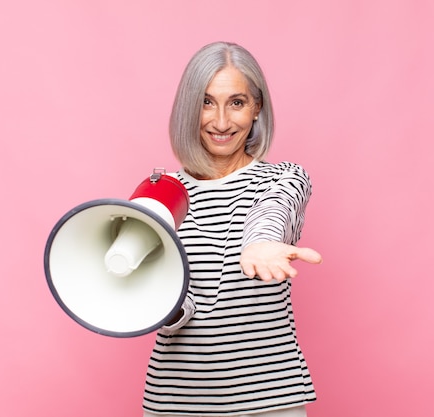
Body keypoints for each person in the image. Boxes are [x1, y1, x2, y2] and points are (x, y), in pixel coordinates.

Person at [142, 41, 322, 417]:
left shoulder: (283, 179)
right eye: (207, 102)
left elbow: (274, 211)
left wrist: (259, 243)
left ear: (257, 107)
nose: (221, 122)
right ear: (188, 107)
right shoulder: (161, 195)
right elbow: (178, 310)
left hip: (270, 402)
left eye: (236, 103)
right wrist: (160, 304)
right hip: (176, 404)